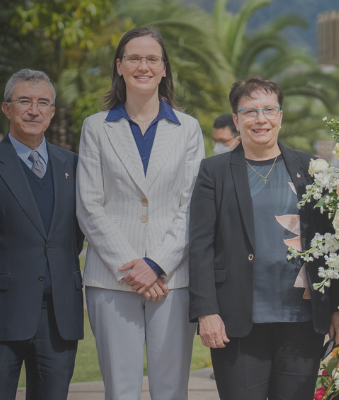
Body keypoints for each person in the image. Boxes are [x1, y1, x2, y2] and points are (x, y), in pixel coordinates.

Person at [188, 76, 339, 400]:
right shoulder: (214, 172)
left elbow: (331, 242)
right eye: (250, 112)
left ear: (280, 115)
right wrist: (206, 312)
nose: (260, 119)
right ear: (236, 119)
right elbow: (200, 246)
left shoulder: (311, 168)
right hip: (237, 319)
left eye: (268, 110)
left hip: (302, 319)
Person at [76, 26, 205, 399]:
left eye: (152, 59)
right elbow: (89, 205)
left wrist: (157, 264)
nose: (142, 66)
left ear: (165, 69)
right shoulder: (95, 128)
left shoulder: (189, 130)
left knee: (170, 389)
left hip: (172, 278)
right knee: (121, 390)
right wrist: (134, 266)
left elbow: (191, 204)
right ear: (119, 66)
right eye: (134, 58)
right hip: (111, 278)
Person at [0, 69, 85, 399]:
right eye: (24, 101)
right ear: (7, 109)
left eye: (43, 102)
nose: (34, 109)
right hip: (1, 309)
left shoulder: (75, 166)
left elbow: (74, 237)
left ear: (52, 112)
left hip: (60, 315)